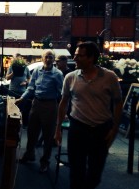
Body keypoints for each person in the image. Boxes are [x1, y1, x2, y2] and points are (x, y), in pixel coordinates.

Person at [54, 41, 123, 189]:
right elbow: (63, 103)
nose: (75, 58)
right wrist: (58, 128)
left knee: (95, 173)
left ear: (91, 58)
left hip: (101, 130)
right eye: (75, 55)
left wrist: (115, 129)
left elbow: (118, 103)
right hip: (78, 128)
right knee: (76, 172)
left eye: (79, 55)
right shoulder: (71, 77)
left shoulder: (109, 77)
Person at [16, 49, 63, 173]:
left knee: (48, 136)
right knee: (32, 132)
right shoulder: (37, 71)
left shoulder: (58, 74)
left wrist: (63, 111)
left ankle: (45, 162)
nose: (48, 59)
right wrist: (21, 98)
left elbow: (61, 93)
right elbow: (31, 88)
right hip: (36, 103)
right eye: (46, 57)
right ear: (42, 58)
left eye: (50, 57)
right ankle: (29, 155)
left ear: (54, 59)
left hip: (50, 105)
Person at [6, 53, 31, 128]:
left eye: (19, 58)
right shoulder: (12, 67)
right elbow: (7, 78)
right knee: (11, 109)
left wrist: (26, 82)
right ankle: (11, 125)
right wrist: (14, 72)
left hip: (22, 92)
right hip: (12, 91)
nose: (18, 59)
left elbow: (29, 78)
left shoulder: (25, 67)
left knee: (21, 109)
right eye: (16, 58)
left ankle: (20, 125)